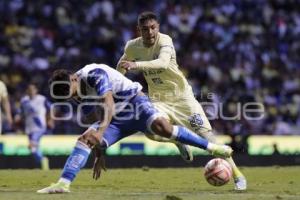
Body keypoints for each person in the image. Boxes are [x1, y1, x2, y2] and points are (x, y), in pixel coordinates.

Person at [37, 63, 232, 194]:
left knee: (162, 127)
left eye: (70, 93)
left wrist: (101, 131)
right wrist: (99, 151)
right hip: (116, 120)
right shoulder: (74, 92)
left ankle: (213, 148)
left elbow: (108, 103)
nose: (72, 97)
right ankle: (63, 184)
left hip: (135, 103)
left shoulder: (94, 75)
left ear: (73, 79)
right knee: (85, 138)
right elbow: (94, 118)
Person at [116, 11, 246, 190]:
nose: (150, 32)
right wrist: (117, 83)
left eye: (153, 27)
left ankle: (238, 176)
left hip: (182, 99)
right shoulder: (132, 47)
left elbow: (161, 63)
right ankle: (177, 140)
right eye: (145, 29)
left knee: (208, 137)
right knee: (150, 132)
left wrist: (136, 65)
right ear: (139, 30)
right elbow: (121, 67)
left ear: (158, 27)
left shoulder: (165, 41)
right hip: (158, 100)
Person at [15, 83, 53, 170]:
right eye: (29, 89)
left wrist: (50, 119)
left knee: (32, 145)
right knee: (33, 149)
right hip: (29, 128)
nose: (31, 91)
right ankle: (42, 165)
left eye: (32, 89)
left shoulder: (42, 99)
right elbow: (20, 111)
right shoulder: (24, 100)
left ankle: (43, 160)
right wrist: (18, 117)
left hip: (39, 127)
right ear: (27, 91)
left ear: (36, 90)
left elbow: (50, 108)